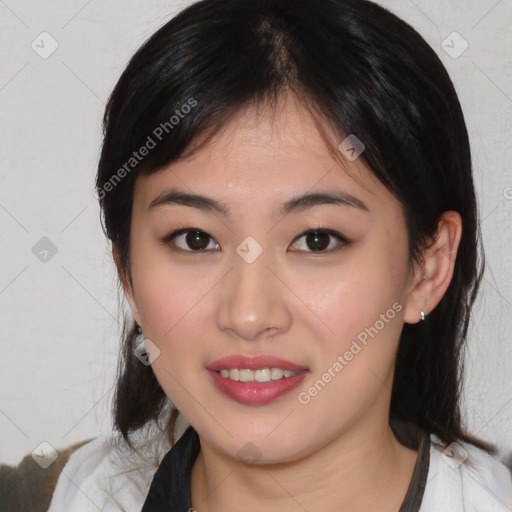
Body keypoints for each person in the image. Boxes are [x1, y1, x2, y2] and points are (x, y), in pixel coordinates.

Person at [47, 0, 512, 510]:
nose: (248, 315)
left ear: (427, 267)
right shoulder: (78, 491)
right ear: (127, 274)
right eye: (195, 239)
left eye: (317, 240)